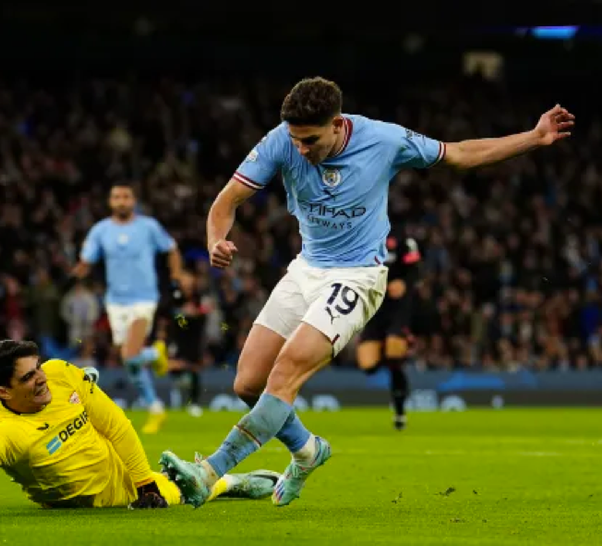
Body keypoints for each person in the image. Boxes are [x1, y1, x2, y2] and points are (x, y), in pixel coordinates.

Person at [159, 76, 575, 508]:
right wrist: (215, 240)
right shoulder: (281, 140)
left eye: (310, 140)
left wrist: (533, 137)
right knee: (248, 382)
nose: (301, 149)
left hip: (358, 275)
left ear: (337, 124)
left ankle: (207, 472)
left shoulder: (385, 139)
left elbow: (460, 154)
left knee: (284, 375)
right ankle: (307, 451)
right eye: (296, 140)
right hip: (306, 270)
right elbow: (226, 203)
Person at [0, 340, 280, 509]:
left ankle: (213, 479)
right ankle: (218, 481)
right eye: (27, 378)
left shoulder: (60, 374)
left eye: (37, 368)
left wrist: (143, 484)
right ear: (3, 392)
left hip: (127, 479)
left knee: (177, 495)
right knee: (187, 491)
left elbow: (117, 425)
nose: (40, 378)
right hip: (90, 502)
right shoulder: (9, 432)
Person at [71, 183, 185, 433]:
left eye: (125, 196)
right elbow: (87, 258)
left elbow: (171, 249)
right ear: (110, 202)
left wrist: (177, 276)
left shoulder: (148, 227)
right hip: (115, 301)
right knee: (131, 362)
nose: (121, 201)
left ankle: (157, 355)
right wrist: (80, 269)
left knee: (128, 354)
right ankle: (155, 406)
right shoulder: (101, 230)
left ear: (133, 200)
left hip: (144, 298)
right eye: (116, 197)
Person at [356, 229, 422, 430]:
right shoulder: (363, 237)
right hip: (376, 308)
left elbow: (415, 269)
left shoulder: (404, 240)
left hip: (398, 308)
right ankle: (395, 351)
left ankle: (400, 411)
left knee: (394, 351)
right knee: (368, 363)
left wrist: (404, 283)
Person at [167, 270, 211, 417]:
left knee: (194, 370)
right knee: (176, 366)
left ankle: (194, 402)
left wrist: (197, 313)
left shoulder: (198, 297)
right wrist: (183, 312)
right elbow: (168, 312)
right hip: (178, 338)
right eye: (184, 281)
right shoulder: (175, 297)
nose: (187, 285)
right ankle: (173, 399)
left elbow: (205, 311)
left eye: (189, 281)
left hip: (194, 338)